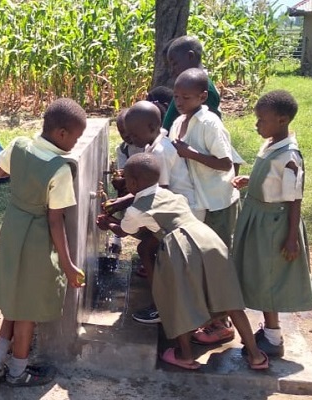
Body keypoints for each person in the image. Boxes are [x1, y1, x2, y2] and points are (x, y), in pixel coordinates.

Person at [97, 152, 268, 371]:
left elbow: (123, 230)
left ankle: (185, 356)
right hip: (208, 238)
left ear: (132, 182)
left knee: (177, 301)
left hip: (180, 246)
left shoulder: (136, 209)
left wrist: (107, 224)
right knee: (229, 298)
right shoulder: (170, 194)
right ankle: (255, 356)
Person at [0, 98, 87, 387]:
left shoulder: (18, 145)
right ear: (62, 133)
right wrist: (68, 265)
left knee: (14, 302)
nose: (76, 143)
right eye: (76, 137)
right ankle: (17, 372)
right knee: (27, 311)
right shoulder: (60, 169)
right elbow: (56, 221)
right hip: (36, 240)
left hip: (12, 230)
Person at [232, 90, 312, 358]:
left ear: (281, 120)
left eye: (262, 120)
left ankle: (273, 337)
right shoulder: (271, 144)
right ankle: (269, 332)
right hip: (257, 217)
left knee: (268, 278)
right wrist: (251, 180)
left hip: (273, 224)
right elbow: (270, 179)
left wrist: (291, 238)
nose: (257, 125)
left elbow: (294, 199)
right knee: (257, 274)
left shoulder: (290, 157)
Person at [105, 100, 196, 323]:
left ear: (151, 128)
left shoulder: (161, 152)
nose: (132, 140)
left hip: (181, 215)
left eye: (134, 135)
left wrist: (121, 206)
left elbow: (156, 193)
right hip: (175, 211)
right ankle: (162, 300)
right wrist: (120, 203)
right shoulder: (155, 144)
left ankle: (161, 305)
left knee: (156, 254)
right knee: (147, 249)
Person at [169, 67, 241, 344]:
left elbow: (225, 163)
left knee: (217, 262)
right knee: (201, 261)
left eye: (186, 97)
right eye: (177, 97)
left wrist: (191, 154)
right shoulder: (179, 122)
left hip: (217, 201)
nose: (180, 102)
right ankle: (209, 317)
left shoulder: (210, 123)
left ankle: (222, 323)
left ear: (202, 96)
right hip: (197, 202)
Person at [163, 35, 244, 175]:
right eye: (176, 97)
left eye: (175, 63)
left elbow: (210, 137)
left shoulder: (204, 91)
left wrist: (189, 153)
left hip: (201, 171)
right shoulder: (185, 88)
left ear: (190, 56)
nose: (172, 70)